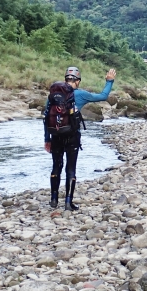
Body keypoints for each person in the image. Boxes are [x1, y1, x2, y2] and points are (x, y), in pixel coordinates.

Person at [44, 66, 116, 211]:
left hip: (56, 136)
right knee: (71, 169)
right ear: (77, 81)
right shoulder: (81, 94)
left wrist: (47, 139)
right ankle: (68, 202)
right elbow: (102, 96)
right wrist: (109, 81)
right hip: (72, 136)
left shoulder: (54, 95)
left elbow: (46, 117)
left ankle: (53, 199)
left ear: (66, 79)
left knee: (56, 166)